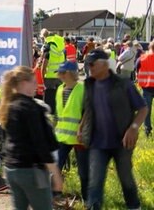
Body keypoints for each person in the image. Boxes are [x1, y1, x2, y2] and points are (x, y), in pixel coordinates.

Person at [80, 49, 148, 209]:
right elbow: (88, 110)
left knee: (126, 179)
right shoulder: (89, 84)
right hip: (97, 143)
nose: (89, 67)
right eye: (87, 64)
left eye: (92, 64)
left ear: (104, 65)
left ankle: (134, 206)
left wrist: (133, 128)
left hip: (122, 143)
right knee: (95, 182)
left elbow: (143, 108)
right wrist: (81, 127)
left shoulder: (123, 84)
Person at [0, 65, 63, 210]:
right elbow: (40, 143)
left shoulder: (8, 106)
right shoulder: (32, 108)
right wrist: (55, 173)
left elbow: (5, 139)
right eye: (34, 82)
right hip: (31, 170)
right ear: (23, 83)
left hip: (12, 168)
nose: (36, 85)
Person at [54, 61, 89, 205]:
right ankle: (54, 194)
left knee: (83, 171)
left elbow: (89, 111)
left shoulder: (83, 89)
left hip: (79, 138)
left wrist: (82, 128)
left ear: (68, 73)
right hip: (61, 136)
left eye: (60, 72)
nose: (58, 75)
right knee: (56, 167)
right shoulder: (59, 89)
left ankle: (88, 199)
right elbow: (58, 113)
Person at [40, 28, 65, 115]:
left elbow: (43, 67)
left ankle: (50, 117)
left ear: (44, 37)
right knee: (59, 98)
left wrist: (43, 79)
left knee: (49, 101)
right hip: (60, 76)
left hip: (50, 78)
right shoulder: (60, 46)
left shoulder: (48, 49)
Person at [136, 41, 154, 137]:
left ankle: (148, 131)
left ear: (149, 47)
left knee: (146, 110)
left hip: (147, 88)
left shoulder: (142, 58)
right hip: (148, 88)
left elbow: (136, 68)